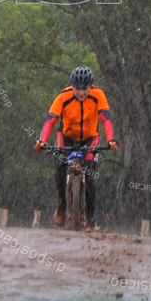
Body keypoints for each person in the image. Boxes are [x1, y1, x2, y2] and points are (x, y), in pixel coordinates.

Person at [34, 66, 118, 229]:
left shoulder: (98, 95)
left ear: (90, 86)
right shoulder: (63, 97)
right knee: (59, 167)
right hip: (66, 137)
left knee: (91, 175)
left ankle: (91, 217)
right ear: (72, 86)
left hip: (89, 138)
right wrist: (42, 141)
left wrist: (111, 140)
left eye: (85, 89)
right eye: (77, 89)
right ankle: (61, 205)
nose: (81, 93)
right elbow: (50, 120)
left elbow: (106, 119)